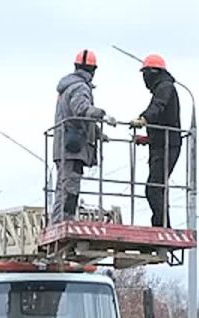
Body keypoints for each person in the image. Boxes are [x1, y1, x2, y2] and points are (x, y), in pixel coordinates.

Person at [50, 49, 116, 224]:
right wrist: (102, 115)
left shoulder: (66, 87)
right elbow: (81, 109)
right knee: (70, 187)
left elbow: (78, 117)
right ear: (93, 70)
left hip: (64, 145)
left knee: (63, 186)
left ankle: (58, 220)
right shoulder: (80, 87)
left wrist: (98, 134)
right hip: (73, 147)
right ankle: (65, 220)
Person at [131, 54, 181, 228]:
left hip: (168, 146)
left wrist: (144, 118)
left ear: (153, 73)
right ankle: (162, 226)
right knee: (157, 188)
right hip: (161, 144)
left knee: (154, 188)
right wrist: (148, 138)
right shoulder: (162, 86)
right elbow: (164, 119)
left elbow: (158, 106)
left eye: (145, 74)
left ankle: (162, 227)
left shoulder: (165, 87)